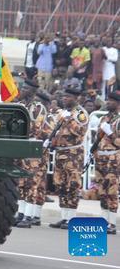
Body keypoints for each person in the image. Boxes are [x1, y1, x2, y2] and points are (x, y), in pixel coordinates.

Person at [47, 87, 89, 229]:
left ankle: (71, 218)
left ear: (76, 99)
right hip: (60, 153)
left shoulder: (80, 114)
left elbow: (80, 131)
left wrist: (68, 120)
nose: (65, 99)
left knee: (72, 185)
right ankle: (64, 217)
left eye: (68, 97)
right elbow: (58, 132)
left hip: (73, 154)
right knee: (61, 185)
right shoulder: (65, 113)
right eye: (64, 97)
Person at [15, 81, 50, 228]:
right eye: (22, 87)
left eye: (26, 88)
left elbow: (36, 127)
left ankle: (29, 216)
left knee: (32, 182)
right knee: (21, 182)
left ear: (33, 91)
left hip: (31, 147)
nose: (22, 89)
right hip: (22, 146)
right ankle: (21, 214)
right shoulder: (22, 105)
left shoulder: (38, 107)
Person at [93, 90, 119, 234]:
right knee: (102, 191)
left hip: (113, 158)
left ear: (118, 103)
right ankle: (104, 221)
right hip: (101, 158)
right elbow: (98, 138)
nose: (108, 102)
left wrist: (111, 133)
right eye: (107, 100)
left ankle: (112, 223)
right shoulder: (105, 119)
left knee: (112, 191)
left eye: (111, 101)